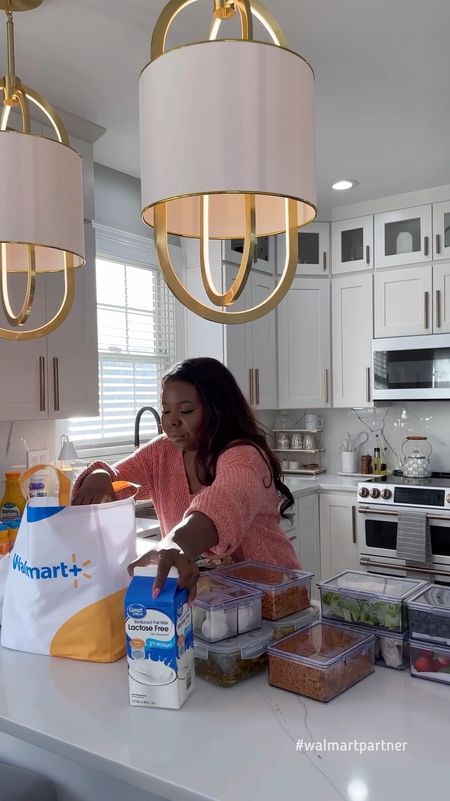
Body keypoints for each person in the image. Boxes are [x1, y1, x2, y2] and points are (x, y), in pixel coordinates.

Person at [72, 357, 298, 600]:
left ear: (217, 408)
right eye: (166, 410)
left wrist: (175, 543)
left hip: (275, 597)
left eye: (186, 410)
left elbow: (222, 504)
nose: (171, 421)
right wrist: (100, 475)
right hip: (212, 604)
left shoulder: (244, 457)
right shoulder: (162, 451)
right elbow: (118, 480)